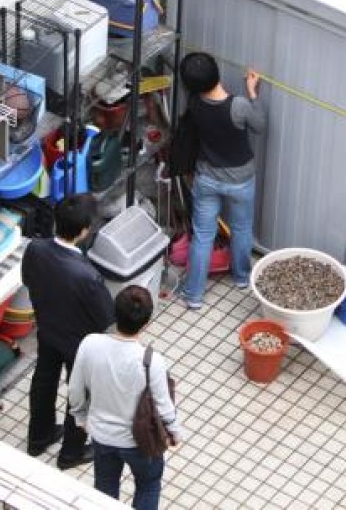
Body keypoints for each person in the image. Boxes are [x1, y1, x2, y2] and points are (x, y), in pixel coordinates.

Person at [69, 285, 182, 510]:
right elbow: (164, 407)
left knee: (105, 487)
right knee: (148, 485)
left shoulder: (90, 343)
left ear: (115, 313)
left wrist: (81, 419)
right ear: (147, 322)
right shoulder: (152, 361)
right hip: (141, 442)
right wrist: (176, 433)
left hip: (102, 437)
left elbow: (75, 390)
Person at [23, 193, 114, 468]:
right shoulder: (87, 275)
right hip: (79, 343)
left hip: (48, 329)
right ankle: (71, 453)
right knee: (81, 395)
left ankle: (39, 437)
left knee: (44, 380)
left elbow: (28, 280)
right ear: (84, 230)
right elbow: (106, 317)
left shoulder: (35, 249)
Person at [178, 52, 266, 310]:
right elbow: (259, 125)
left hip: (206, 178)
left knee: (203, 236)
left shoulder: (193, 103)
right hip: (240, 180)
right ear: (216, 72)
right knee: (241, 229)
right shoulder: (238, 105)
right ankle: (241, 277)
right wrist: (252, 91)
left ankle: (194, 295)